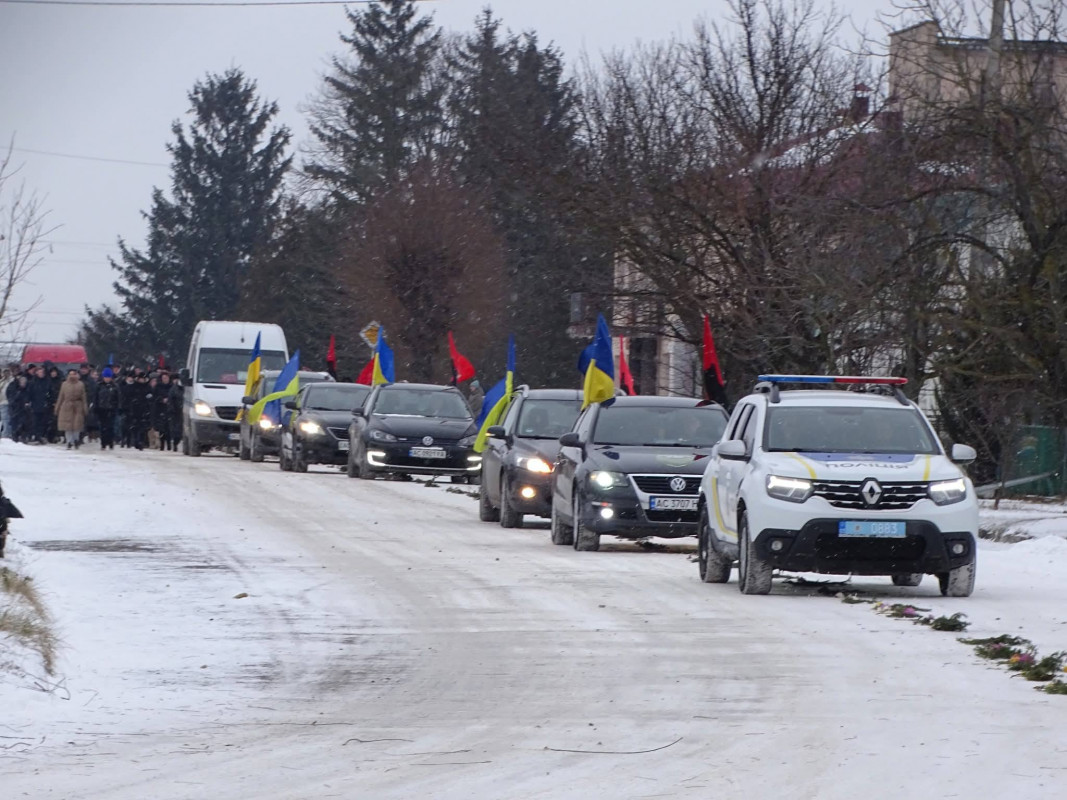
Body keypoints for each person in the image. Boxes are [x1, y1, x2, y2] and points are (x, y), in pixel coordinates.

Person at [55, 369, 89, 449]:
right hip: (66, 406)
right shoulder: (64, 384)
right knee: (67, 426)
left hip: (77, 406)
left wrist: (85, 408)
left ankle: (76, 440)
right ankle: (69, 441)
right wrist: (57, 407)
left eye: (73, 374)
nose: (72, 376)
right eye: (70, 374)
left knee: (76, 425)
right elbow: (61, 396)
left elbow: (84, 397)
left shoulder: (80, 384)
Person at [93, 367, 121, 450]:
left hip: (111, 409)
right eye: (106, 377)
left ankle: (110, 441)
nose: (107, 379)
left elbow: (118, 398)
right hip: (102, 409)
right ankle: (103, 443)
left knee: (111, 427)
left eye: (108, 377)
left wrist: (118, 408)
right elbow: (96, 398)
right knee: (103, 427)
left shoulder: (115, 386)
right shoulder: (99, 386)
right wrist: (96, 407)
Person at [27, 366, 52, 444]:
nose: (41, 373)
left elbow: (51, 392)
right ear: (36, 372)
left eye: (42, 372)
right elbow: (29, 393)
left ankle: (40, 436)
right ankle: (34, 436)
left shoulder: (47, 382)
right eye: (40, 372)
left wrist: (49, 400)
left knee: (43, 422)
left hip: (44, 405)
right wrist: (28, 401)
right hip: (34, 404)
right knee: (34, 421)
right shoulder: (32, 382)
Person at [167, 376, 184, 451]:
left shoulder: (186, 388)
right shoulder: (173, 389)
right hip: (175, 411)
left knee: (180, 429)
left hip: (183, 411)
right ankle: (175, 442)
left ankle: (177, 441)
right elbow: (170, 399)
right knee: (175, 429)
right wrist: (172, 409)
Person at [0, 367, 12, 439]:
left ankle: (6, 433)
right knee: (5, 419)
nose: (6, 373)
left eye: (7, 372)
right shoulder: (2, 381)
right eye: (4, 372)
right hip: (2, 402)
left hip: (8, 402)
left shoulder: (11, 381)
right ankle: (5, 433)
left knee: (7, 419)